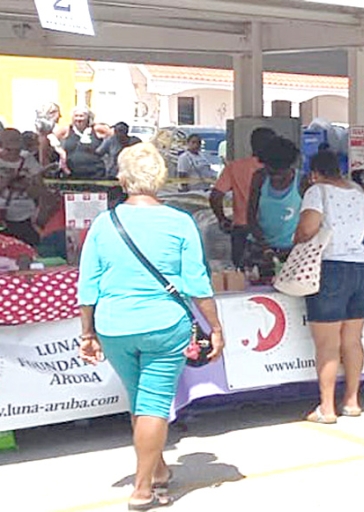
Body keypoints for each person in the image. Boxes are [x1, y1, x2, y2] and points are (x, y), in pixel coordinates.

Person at [77, 142, 224, 510]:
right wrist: (215, 326)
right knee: (154, 404)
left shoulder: (103, 223)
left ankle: (158, 471)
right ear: (160, 178)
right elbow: (196, 283)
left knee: (140, 400)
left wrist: (87, 333)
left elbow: (87, 285)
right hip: (164, 324)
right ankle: (143, 488)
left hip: (113, 326)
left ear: (122, 178)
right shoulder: (179, 222)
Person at [294, 149, 364, 423]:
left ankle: (326, 408)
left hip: (330, 269)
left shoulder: (317, 191)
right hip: (362, 271)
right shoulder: (359, 195)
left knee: (327, 344)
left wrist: (297, 240)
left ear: (315, 174)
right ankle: (352, 401)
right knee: (352, 340)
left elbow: (307, 229)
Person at [210, 127, 275, 269]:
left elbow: (216, 196)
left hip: (242, 229)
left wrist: (222, 219)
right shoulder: (279, 171)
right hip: (272, 231)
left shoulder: (235, 167)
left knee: (242, 277)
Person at [247, 136, 304, 275]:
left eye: (280, 173)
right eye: (271, 172)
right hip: (260, 249)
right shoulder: (259, 178)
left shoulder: (303, 182)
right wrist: (264, 246)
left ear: (290, 166)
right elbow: (251, 215)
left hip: (293, 252)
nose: (275, 177)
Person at [0, 128, 45, 246]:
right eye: (9, 150)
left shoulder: (28, 160)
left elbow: (40, 191)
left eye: (17, 150)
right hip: (2, 216)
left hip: (26, 216)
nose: (14, 153)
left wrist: (27, 186)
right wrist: (7, 180)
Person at [60, 106, 107, 179]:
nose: (78, 119)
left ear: (88, 117)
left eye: (81, 116)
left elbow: (115, 138)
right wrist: (60, 151)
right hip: (71, 173)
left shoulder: (97, 129)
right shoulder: (66, 130)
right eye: (76, 116)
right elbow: (49, 137)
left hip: (95, 172)